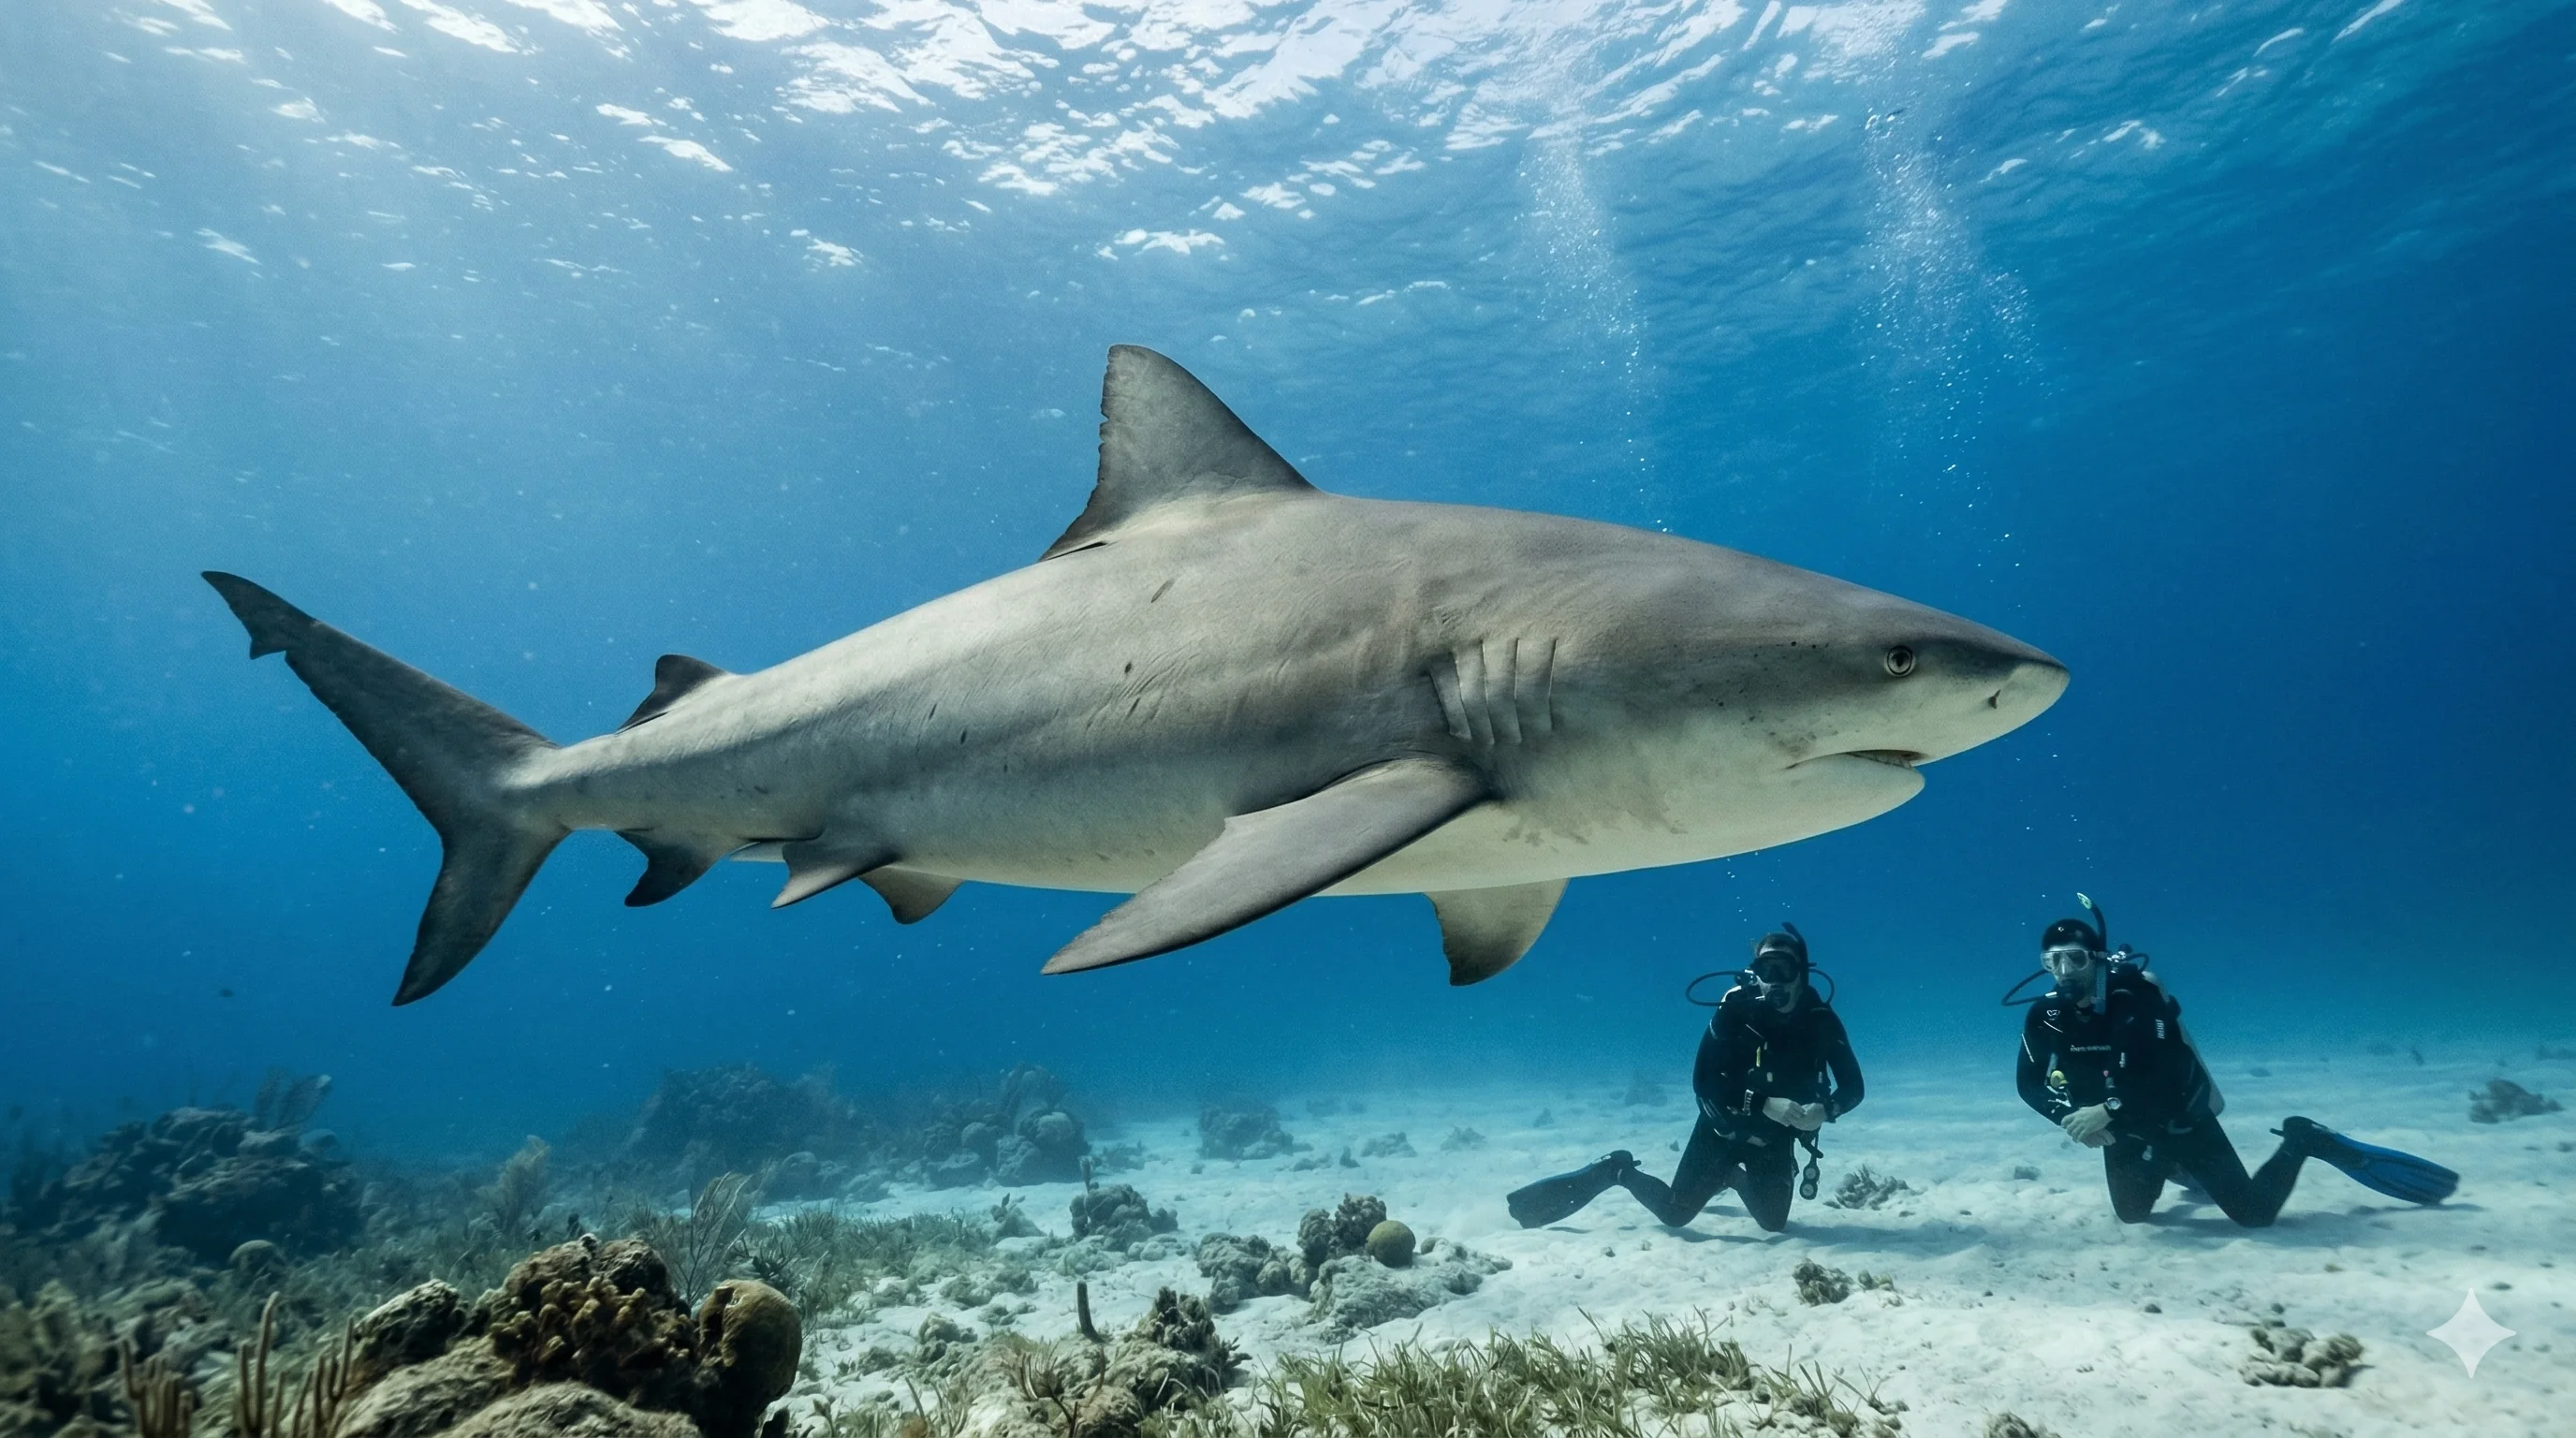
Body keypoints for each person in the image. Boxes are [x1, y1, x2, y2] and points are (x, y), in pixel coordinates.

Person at [2013, 905, 2457, 1225]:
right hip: (2125, 1130)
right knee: (2133, 1217)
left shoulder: (2136, 1001)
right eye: (2051, 960)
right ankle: (2172, 1165)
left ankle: (2303, 1139)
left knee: (2255, 1215)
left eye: (2074, 957)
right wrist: (2073, 1120)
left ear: (2096, 959)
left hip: (2182, 1120)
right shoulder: (2045, 1015)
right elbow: (2029, 1084)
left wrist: (2105, 1110)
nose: (2063, 970)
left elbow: (2165, 1074)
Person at [1507, 924, 1863, 1233]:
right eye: (1764, 970)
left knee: (1774, 1224)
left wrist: (1825, 1109)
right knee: (1675, 1214)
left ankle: (1730, 1177)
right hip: (1722, 1127)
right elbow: (1703, 1080)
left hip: (1772, 1139)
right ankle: (1617, 1170)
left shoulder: (1820, 1021)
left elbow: (1854, 1087)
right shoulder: (1737, 1010)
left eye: (1783, 969)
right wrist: (1764, 1103)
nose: (1774, 982)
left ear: (1801, 972)